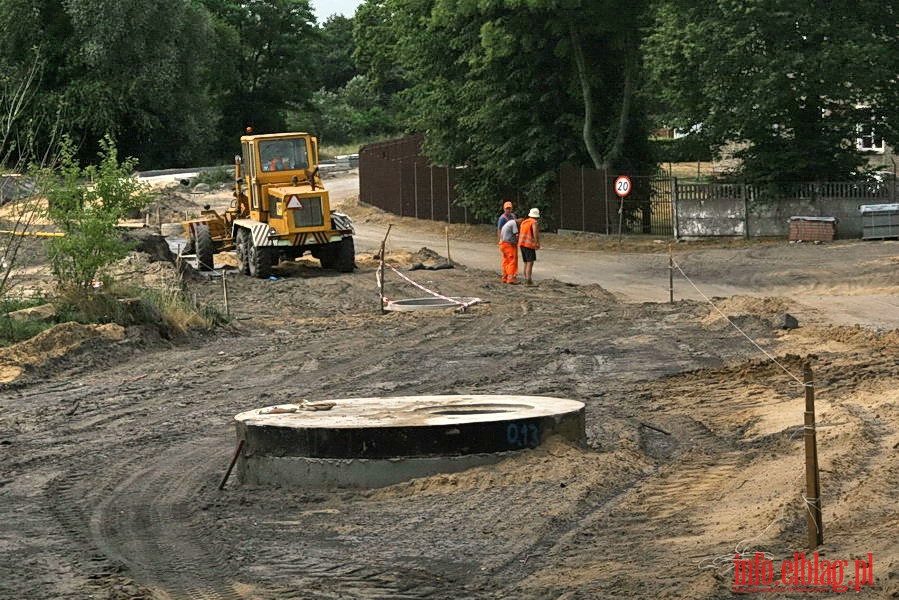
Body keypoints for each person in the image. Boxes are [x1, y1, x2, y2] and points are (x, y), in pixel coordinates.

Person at [518, 208, 541, 285]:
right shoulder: (534, 222)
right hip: (529, 245)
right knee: (530, 263)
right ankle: (529, 280)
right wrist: (537, 242)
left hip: (522, 244)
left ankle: (526, 278)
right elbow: (535, 233)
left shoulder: (524, 222)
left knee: (526, 262)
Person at [499, 217, 522, 284]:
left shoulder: (510, 222)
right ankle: (511, 279)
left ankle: (504, 277)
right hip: (508, 245)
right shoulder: (514, 224)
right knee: (512, 261)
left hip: (503, 244)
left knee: (506, 260)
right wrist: (519, 242)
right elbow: (516, 235)